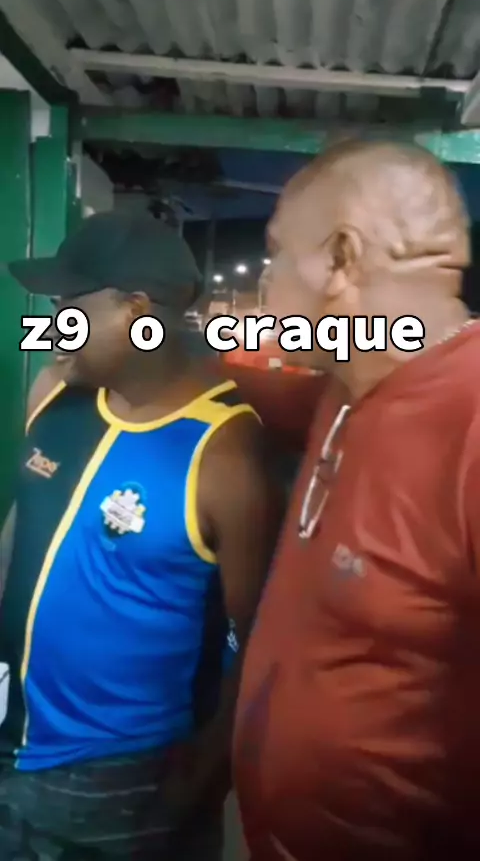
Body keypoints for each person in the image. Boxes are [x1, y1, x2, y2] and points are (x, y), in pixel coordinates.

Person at [0, 210, 282, 861]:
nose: (53, 327)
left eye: (70, 309)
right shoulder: (53, 392)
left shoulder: (225, 455)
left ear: (135, 310)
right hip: (13, 741)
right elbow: (20, 540)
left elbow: (256, 643)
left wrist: (201, 778)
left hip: (123, 784)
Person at [234, 138, 480, 860]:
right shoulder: (349, 387)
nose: (266, 282)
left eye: (277, 255)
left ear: (342, 259)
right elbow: (243, 383)